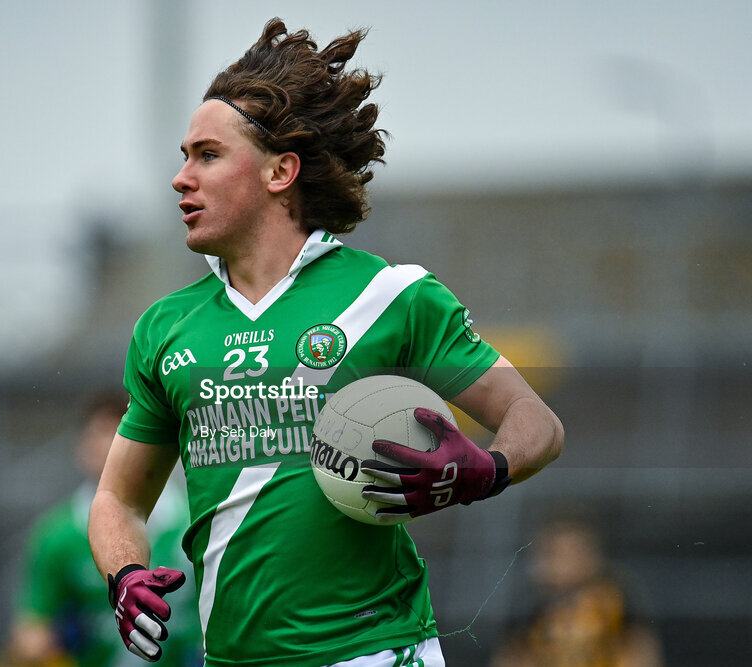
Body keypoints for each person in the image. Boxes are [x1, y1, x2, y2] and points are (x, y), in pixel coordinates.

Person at [88, 17, 564, 667]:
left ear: (280, 171)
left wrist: (490, 467)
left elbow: (535, 420)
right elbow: (118, 499)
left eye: (207, 155)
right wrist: (124, 573)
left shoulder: (391, 295)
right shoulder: (166, 327)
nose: (181, 177)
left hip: (376, 652)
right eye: (183, 155)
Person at [9, 391, 200, 666]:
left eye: (120, 434)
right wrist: (62, 637)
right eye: (100, 434)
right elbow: (28, 636)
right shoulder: (59, 536)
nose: (110, 446)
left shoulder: (192, 517)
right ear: (81, 447)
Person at [490, 516, 663, 667]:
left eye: (571, 552)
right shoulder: (531, 602)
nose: (562, 564)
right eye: (554, 553)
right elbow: (510, 657)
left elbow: (641, 649)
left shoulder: (615, 596)